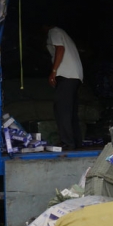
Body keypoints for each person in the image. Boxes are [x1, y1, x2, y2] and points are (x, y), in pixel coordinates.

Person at [43, 22, 83, 150]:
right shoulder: (63, 33)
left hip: (66, 75)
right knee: (71, 111)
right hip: (75, 76)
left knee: (62, 110)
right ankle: (76, 142)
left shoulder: (54, 32)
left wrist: (53, 71)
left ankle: (67, 143)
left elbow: (60, 49)